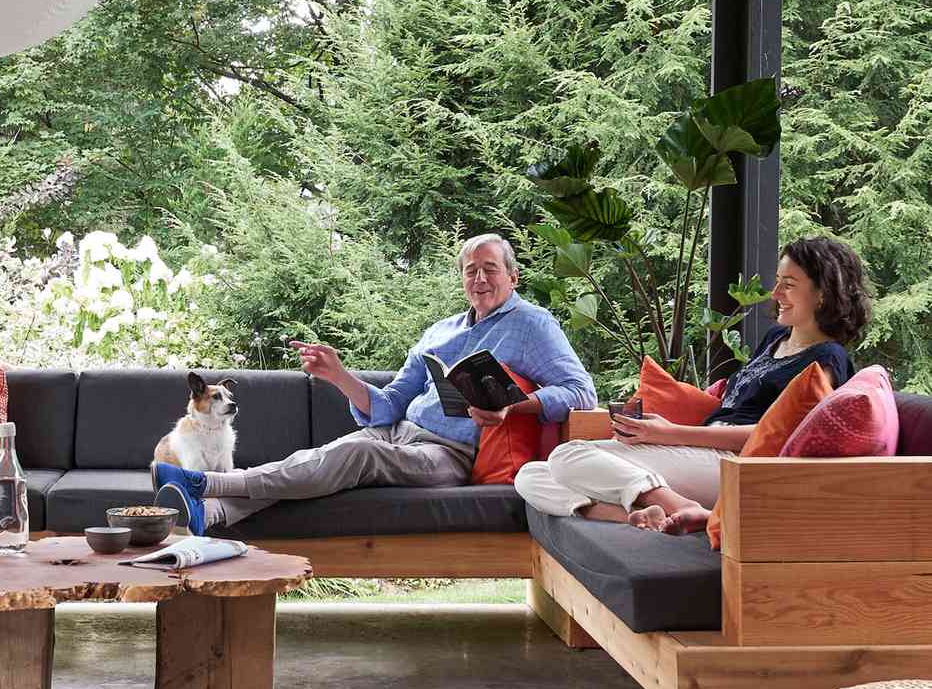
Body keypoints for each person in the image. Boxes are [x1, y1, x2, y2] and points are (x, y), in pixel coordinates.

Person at [154, 234, 596, 534]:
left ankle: (207, 483)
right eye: (470, 271)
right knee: (319, 460)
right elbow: (390, 403)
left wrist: (513, 408)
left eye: (490, 269)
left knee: (355, 452)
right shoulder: (439, 331)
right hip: (398, 432)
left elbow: (581, 391)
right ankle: (213, 514)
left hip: (449, 454)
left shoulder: (532, 325)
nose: (479, 279)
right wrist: (339, 376)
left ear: (512, 276)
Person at [513, 235, 873, 534]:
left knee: (568, 454)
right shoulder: (776, 339)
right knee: (532, 473)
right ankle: (637, 517)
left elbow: (781, 435)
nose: (775, 292)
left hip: (734, 467)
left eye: (789, 285)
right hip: (700, 455)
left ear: (823, 293)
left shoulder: (826, 359)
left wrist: (671, 433)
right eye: (777, 281)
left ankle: (679, 504)